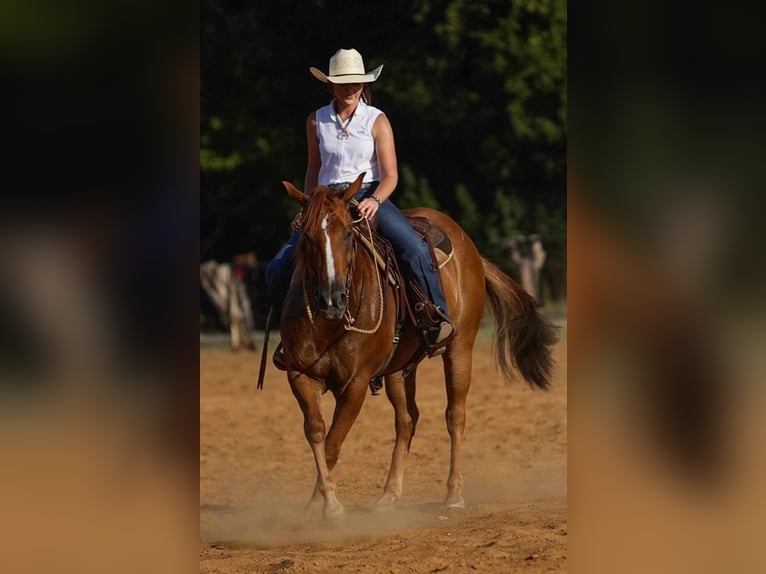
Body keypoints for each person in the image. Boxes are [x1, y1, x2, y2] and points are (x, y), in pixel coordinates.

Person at [266, 48, 454, 367]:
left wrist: (375, 200)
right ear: (331, 86)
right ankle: (290, 336)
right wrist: (310, 206)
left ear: (363, 84)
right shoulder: (316, 121)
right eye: (343, 83)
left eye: (355, 82)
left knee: (413, 248)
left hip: (368, 194)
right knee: (277, 268)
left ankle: (435, 318)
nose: (349, 88)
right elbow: (314, 170)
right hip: (325, 200)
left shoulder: (376, 120)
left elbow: (391, 174)